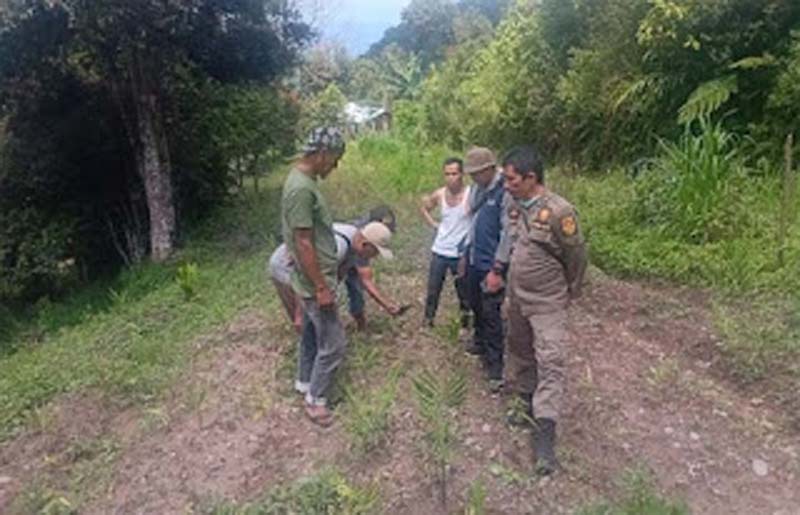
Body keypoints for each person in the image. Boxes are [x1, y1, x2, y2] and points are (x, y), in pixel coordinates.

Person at [501, 145, 587, 475]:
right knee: (520, 351)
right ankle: (525, 402)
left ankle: (545, 436)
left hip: (548, 302)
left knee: (551, 362)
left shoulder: (560, 212)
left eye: (511, 179)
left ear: (530, 178)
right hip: (519, 297)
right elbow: (515, 248)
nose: (506, 185)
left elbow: (576, 257)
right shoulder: (515, 204)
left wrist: (569, 291)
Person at [280, 126, 349, 426]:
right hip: (314, 281)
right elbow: (304, 240)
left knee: (310, 334)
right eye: (334, 159)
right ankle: (316, 401)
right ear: (321, 153)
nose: (335, 166)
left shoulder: (301, 180)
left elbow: (297, 235)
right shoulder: (301, 188)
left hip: (308, 277)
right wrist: (321, 286)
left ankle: (305, 382)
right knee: (333, 343)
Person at [269, 220, 401, 334]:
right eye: (375, 252)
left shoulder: (356, 240)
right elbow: (305, 275)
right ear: (365, 245)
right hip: (285, 267)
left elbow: (359, 278)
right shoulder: (338, 247)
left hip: (305, 268)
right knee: (308, 320)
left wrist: (387, 305)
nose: (375, 257)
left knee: (318, 317)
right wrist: (299, 313)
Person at [460, 146, 511, 393]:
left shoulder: (505, 192)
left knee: (492, 314)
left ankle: (495, 366)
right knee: (476, 305)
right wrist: (465, 253)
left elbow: (508, 233)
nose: (473, 178)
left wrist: (498, 269)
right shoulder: (477, 190)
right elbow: (472, 223)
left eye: (477, 173)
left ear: (490, 169)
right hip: (474, 259)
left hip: (491, 264)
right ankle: (479, 342)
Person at [420, 157, 472, 328]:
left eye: (454, 173)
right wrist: (434, 224)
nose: (451, 178)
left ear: (462, 174)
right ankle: (428, 321)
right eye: (447, 174)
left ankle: (466, 324)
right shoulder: (440, 194)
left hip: (460, 253)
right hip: (440, 249)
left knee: (464, 291)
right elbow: (424, 207)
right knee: (433, 289)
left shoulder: (470, 194)